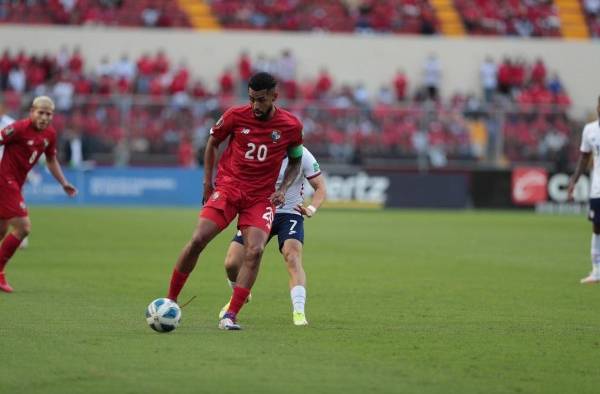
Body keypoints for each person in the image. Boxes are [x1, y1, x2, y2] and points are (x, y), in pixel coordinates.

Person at [165, 72, 304, 330]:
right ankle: (170, 300)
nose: (255, 106)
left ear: (274, 96)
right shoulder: (234, 115)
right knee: (198, 239)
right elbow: (212, 143)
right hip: (229, 188)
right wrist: (207, 182)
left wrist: (283, 188)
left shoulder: (291, 126)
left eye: (261, 100)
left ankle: (231, 315)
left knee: (256, 250)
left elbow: (296, 159)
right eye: (251, 99)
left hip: (260, 198)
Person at [219, 146, 326, 326]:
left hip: (290, 213)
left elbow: (320, 187)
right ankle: (239, 294)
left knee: (292, 256)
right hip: (258, 210)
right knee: (231, 263)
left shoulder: (304, 155)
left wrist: (311, 208)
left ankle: (299, 312)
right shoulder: (261, 149)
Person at [0, 96, 78, 293]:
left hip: (16, 183)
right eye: (40, 113)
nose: (44, 117)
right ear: (31, 112)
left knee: (1, 230)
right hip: (4, 180)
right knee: (24, 227)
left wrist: (63, 183)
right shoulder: (18, 128)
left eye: (48, 114)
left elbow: (51, 159)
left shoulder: (50, 134)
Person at [568, 95, 600, 284]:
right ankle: (597, 271)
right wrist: (574, 180)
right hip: (598, 189)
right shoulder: (590, 130)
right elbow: (584, 158)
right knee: (597, 229)